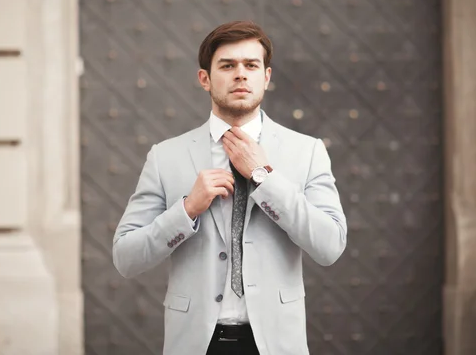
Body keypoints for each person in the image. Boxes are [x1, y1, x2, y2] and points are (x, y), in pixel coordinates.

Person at [112, 20, 347, 355]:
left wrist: (265, 177)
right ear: (204, 78)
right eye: (227, 65)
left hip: (276, 343)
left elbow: (330, 246)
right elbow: (126, 257)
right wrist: (187, 209)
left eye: (251, 65)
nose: (241, 74)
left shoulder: (306, 151)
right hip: (195, 344)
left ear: (266, 77)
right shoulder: (165, 156)